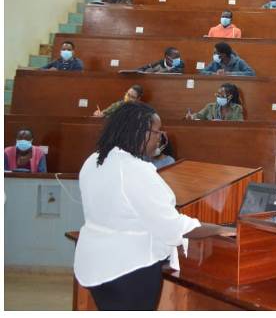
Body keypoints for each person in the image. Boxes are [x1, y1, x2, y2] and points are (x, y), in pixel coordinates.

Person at [73, 102, 233, 311]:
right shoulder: (135, 169)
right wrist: (221, 229)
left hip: (95, 266)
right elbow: (172, 228)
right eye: (157, 132)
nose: (160, 138)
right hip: (129, 270)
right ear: (141, 132)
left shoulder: (94, 160)